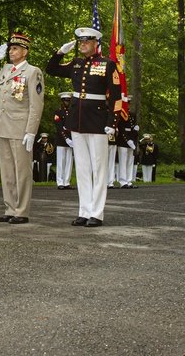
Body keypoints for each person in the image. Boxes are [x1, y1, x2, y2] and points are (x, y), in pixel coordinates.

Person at [45, 26, 122, 227]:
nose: (82, 44)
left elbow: (116, 96)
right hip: (77, 120)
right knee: (82, 168)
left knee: (98, 168)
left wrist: (112, 123)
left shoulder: (108, 64)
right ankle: (84, 211)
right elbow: (51, 69)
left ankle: (96, 213)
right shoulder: (76, 64)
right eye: (80, 41)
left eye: (86, 41)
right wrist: (60, 52)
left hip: (98, 121)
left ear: (96, 43)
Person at [0, 34, 44, 224]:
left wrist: (31, 131)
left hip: (20, 128)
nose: (11, 51)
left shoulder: (33, 72)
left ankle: (22, 211)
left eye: (15, 49)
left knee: (22, 171)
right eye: (10, 49)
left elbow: (36, 104)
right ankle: (10, 208)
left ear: (24, 52)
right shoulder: (6, 69)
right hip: (3, 126)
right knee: (7, 171)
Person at [53, 92, 75, 189]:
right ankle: (60, 182)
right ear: (62, 101)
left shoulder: (71, 112)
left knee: (69, 162)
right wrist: (66, 138)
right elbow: (59, 127)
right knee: (61, 161)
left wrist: (72, 139)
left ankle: (66, 181)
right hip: (62, 140)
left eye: (68, 101)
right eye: (65, 100)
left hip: (70, 140)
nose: (67, 102)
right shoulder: (58, 112)